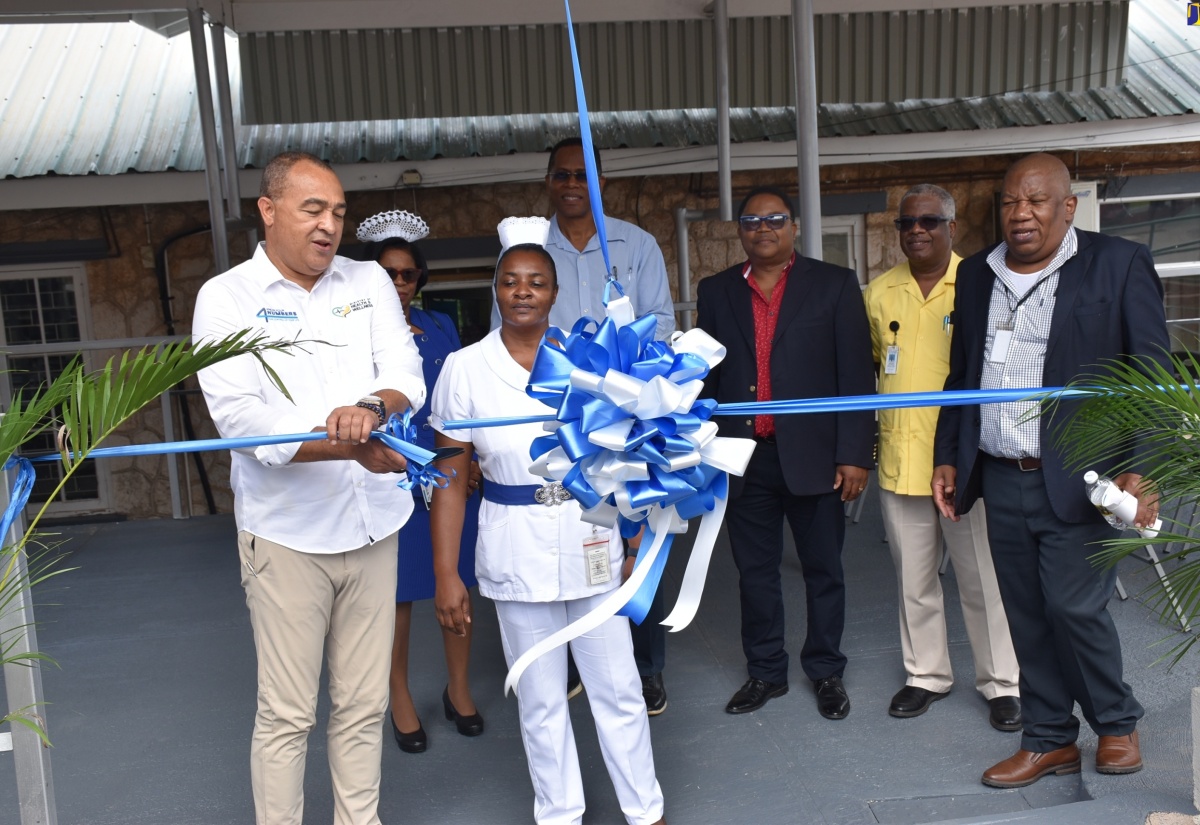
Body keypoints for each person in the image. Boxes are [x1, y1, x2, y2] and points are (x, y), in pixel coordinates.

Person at [192, 151, 425, 825]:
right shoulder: (227, 298)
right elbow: (246, 425)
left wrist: (374, 410)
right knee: (288, 713)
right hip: (287, 536)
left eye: (339, 212)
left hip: (373, 525)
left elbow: (405, 371)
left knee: (361, 706)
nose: (330, 225)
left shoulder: (369, 280)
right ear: (268, 211)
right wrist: (351, 445)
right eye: (312, 209)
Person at [933, 152, 1166, 788]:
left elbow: (1150, 376)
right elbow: (963, 377)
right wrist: (950, 458)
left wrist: (1142, 470)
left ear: (1068, 206)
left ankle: (1117, 723)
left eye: (1036, 201)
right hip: (1001, 472)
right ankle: (1049, 739)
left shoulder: (1117, 264)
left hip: (1086, 479)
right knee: (1025, 611)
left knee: (1073, 606)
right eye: (1010, 202)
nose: (1021, 214)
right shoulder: (978, 275)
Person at [433, 219, 666, 825]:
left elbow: (624, 454)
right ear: (495, 289)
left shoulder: (586, 357)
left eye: (537, 281)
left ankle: (646, 813)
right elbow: (452, 482)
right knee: (539, 700)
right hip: (513, 543)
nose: (523, 291)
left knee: (618, 690)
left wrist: (634, 534)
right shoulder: (464, 368)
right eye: (510, 281)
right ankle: (560, 814)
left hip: (591, 531)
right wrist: (445, 573)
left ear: (555, 293)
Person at [492, 136, 675, 714]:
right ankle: (569, 662)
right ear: (549, 181)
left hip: (621, 414)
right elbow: (506, 328)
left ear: (600, 183)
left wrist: (621, 388)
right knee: (564, 531)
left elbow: (662, 329)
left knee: (633, 534)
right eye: (562, 176)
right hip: (551, 421)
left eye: (584, 177)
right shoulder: (525, 248)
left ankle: (644, 669)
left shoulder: (637, 244)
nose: (573, 186)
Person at [697, 185, 875, 719]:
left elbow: (855, 375)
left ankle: (826, 671)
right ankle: (766, 672)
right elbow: (705, 377)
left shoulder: (835, 284)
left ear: (793, 227)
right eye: (752, 221)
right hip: (743, 457)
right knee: (754, 572)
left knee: (824, 568)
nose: (764, 228)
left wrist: (855, 454)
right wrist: (700, 448)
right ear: (741, 231)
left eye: (775, 219)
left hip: (818, 457)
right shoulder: (716, 291)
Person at [863, 185, 1022, 730]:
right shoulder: (879, 292)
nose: (917, 231)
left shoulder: (980, 284)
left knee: (983, 577)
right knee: (914, 579)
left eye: (929, 221)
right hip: (903, 459)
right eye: (907, 223)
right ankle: (925, 675)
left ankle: (1002, 682)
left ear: (952, 227)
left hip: (965, 459)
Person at [356, 210, 484, 753]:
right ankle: (399, 696)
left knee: (452, 581)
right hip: (390, 475)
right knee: (398, 593)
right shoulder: (354, 334)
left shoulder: (440, 327)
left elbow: (459, 399)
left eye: (407, 274)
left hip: (446, 471)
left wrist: (469, 456)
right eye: (386, 273)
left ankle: (458, 690)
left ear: (419, 278)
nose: (398, 283)